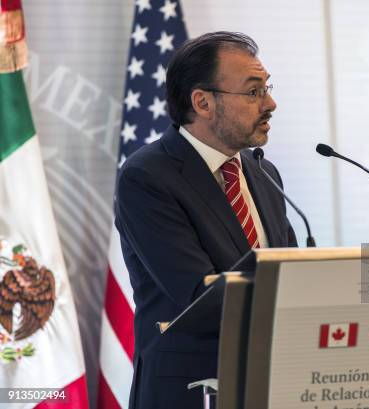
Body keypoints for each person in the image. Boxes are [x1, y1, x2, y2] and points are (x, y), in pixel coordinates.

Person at [114, 31, 297, 409]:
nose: (271, 103)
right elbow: (197, 295)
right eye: (253, 92)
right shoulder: (148, 177)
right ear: (203, 102)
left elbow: (289, 271)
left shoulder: (264, 174)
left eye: (267, 88)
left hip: (269, 384)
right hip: (192, 391)